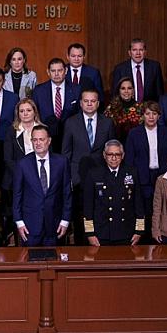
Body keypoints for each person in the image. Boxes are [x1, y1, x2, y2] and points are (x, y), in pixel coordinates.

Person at [61, 89, 115, 244]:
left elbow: (112, 151)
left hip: (101, 177)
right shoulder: (71, 123)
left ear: (98, 103)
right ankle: (80, 248)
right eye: (86, 101)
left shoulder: (107, 122)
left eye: (93, 101)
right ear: (80, 103)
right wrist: (69, 178)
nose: (89, 104)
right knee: (80, 216)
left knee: (100, 213)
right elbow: (66, 153)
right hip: (78, 178)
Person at [12, 125, 72, 247]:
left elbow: (67, 193)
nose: (38, 143)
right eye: (35, 140)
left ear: (49, 141)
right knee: (29, 258)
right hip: (30, 226)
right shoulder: (23, 164)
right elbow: (17, 195)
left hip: (55, 225)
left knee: (54, 257)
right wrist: (19, 222)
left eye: (41, 139)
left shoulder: (62, 162)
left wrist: (65, 220)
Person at [83, 140, 145, 246]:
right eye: (110, 154)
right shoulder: (94, 174)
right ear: (104, 155)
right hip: (101, 233)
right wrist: (90, 234)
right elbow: (88, 207)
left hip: (127, 233)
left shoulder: (131, 172)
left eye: (117, 154)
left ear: (123, 155)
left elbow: (138, 203)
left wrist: (139, 231)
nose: (114, 158)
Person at [125, 101, 167, 230]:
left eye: (154, 113)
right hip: (142, 179)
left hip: (163, 177)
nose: (151, 117)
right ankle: (144, 238)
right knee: (144, 212)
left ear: (159, 116)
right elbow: (129, 160)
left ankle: (160, 237)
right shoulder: (134, 133)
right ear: (143, 115)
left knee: (162, 210)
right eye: (148, 114)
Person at [2, 98, 45, 245]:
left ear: (35, 112)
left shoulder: (43, 130)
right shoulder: (11, 131)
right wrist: (25, 176)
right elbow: (8, 158)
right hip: (15, 180)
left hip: (40, 181)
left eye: (28, 110)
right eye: (21, 111)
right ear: (17, 114)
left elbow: (48, 156)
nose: (25, 113)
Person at [31, 58, 78, 152]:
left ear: (66, 71)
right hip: (45, 139)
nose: (56, 74)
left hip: (70, 139)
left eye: (60, 70)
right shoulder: (38, 91)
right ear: (48, 72)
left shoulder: (76, 90)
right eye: (53, 71)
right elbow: (34, 115)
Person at [110, 38, 164, 103]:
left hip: (149, 108)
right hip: (126, 107)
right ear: (129, 53)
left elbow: (160, 93)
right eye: (134, 50)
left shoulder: (154, 67)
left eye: (141, 50)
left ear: (145, 52)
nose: (138, 53)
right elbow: (115, 95)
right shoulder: (120, 69)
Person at [104, 77, 143, 144]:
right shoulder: (111, 109)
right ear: (119, 91)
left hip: (137, 144)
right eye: (123, 88)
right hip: (116, 146)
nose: (126, 91)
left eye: (129, 88)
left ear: (133, 90)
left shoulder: (141, 108)